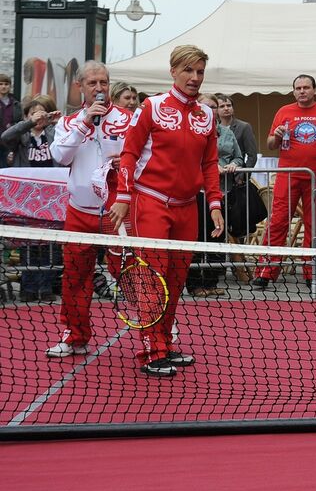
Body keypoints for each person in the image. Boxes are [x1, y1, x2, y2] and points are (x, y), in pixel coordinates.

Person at [109, 45, 225, 377]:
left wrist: (214, 204)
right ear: (173, 71)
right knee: (152, 278)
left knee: (175, 279)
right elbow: (129, 154)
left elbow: (210, 163)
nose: (195, 77)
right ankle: (152, 349)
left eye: (200, 71)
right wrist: (123, 195)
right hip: (151, 203)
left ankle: (165, 343)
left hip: (188, 208)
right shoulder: (151, 107)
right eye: (188, 70)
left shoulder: (207, 115)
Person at [44, 61, 132, 358]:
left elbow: (146, 158)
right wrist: (84, 122)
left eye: (103, 82)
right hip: (79, 210)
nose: (99, 88)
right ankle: (75, 335)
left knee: (129, 271)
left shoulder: (128, 118)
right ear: (80, 86)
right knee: (75, 277)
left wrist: (127, 163)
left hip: (115, 210)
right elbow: (59, 156)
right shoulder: (68, 122)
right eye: (92, 83)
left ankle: (155, 331)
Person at [252, 74, 316, 288]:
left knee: (313, 226)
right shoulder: (284, 111)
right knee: (278, 221)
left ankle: (311, 273)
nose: (302, 91)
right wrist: (278, 136)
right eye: (298, 88)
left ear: (314, 90)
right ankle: (265, 271)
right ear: (293, 92)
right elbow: (271, 143)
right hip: (288, 175)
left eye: (306, 87)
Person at [1, 95, 62, 301]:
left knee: (49, 246)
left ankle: (45, 288)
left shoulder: (54, 133)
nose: (38, 117)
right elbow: (6, 138)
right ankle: (28, 287)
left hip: (50, 196)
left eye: (41, 112)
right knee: (28, 245)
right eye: (32, 113)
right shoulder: (23, 135)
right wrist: (29, 123)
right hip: (26, 197)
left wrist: (54, 122)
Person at [185, 93, 242, 298]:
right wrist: (210, 167)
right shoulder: (189, 130)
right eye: (206, 106)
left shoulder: (227, 132)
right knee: (197, 238)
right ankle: (194, 284)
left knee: (217, 237)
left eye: (214, 106)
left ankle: (211, 281)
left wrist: (236, 163)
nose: (211, 110)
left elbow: (238, 155)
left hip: (222, 192)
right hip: (197, 193)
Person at [216, 94, 258, 168]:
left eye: (229, 105)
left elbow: (252, 155)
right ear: (216, 110)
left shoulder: (244, 127)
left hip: (237, 174)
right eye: (222, 106)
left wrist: (244, 175)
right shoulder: (214, 128)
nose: (226, 108)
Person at [0, 72, 20, 167]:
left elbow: (19, 120)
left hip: (11, 141)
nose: (3, 87)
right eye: (1, 84)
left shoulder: (16, 103)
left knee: (9, 168)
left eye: (6, 84)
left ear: (10, 86)